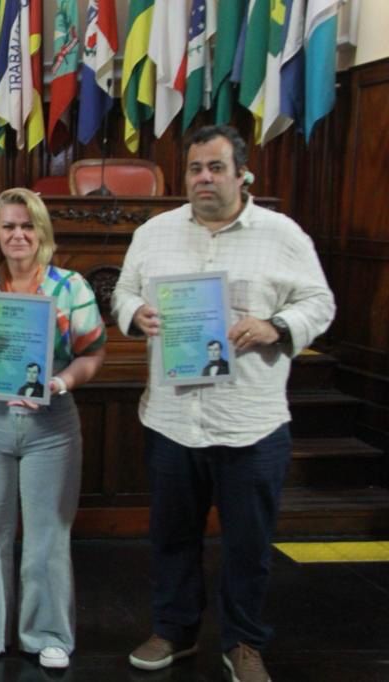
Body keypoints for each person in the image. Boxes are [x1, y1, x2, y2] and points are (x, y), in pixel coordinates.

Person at [112, 125, 335, 682]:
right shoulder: (155, 232)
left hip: (250, 423)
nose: (204, 178)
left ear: (242, 174)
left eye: (215, 167)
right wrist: (134, 314)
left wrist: (276, 325)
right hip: (171, 418)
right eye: (194, 169)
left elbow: (320, 301)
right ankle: (174, 631)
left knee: (248, 545)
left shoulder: (282, 234)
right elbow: (123, 290)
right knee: (171, 536)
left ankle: (243, 643)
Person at [0, 188, 106, 670]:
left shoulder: (70, 287)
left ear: (42, 231)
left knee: (47, 533)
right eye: (7, 226)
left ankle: (47, 635)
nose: (18, 234)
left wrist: (62, 381)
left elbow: (93, 352)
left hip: (52, 425)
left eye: (27, 225)